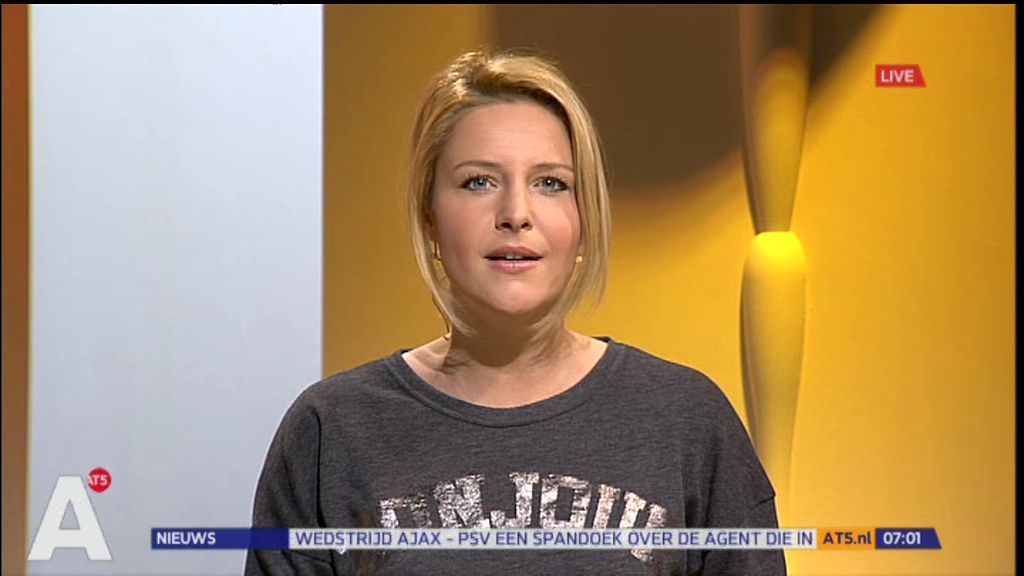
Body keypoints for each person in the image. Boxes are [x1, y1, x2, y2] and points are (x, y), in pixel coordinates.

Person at [245, 50, 786, 575]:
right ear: (430, 215)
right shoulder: (331, 430)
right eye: (478, 181)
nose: (516, 214)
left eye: (551, 183)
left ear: (584, 218)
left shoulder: (687, 421)